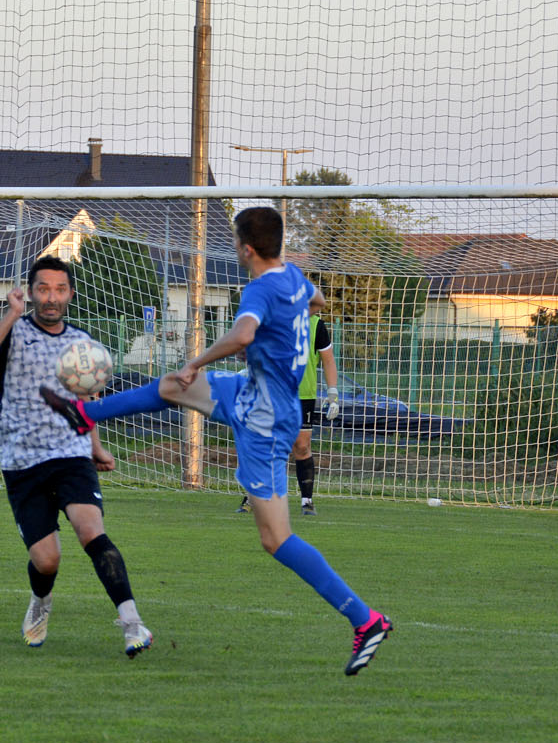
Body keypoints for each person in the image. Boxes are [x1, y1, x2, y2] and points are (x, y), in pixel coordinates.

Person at [39, 208, 391, 676]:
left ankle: (365, 619)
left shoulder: (263, 286)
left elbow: (244, 332)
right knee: (171, 386)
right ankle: (85, 412)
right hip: (250, 392)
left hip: (267, 421)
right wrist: (281, 331)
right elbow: (318, 300)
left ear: (246, 248)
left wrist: (199, 358)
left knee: (276, 537)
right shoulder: (295, 277)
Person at [0, 254, 153, 658]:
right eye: (43, 288)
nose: (51, 297)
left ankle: (133, 623)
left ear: (70, 293)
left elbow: (87, 402)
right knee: (47, 561)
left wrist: (97, 449)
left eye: (60, 289)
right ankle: (40, 603)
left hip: (71, 454)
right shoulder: (14, 332)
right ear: (31, 293)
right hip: (22, 461)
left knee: (91, 529)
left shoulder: (82, 344)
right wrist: (9, 316)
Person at [236, 313, 339, 516]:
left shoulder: (316, 324)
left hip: (303, 396)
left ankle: (307, 501)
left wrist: (333, 393)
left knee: (301, 446)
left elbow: (328, 360)